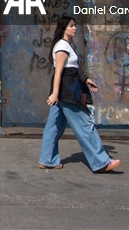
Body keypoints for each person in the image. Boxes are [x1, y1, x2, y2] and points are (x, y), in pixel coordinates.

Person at [38, 15, 121, 173]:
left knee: (53, 127)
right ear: (64, 28)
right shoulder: (62, 46)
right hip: (68, 92)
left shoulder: (65, 45)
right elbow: (59, 72)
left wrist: (86, 79)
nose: (74, 28)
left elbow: (72, 69)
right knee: (85, 124)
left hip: (66, 90)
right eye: (71, 26)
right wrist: (55, 93)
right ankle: (101, 162)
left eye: (75, 25)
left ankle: (48, 160)